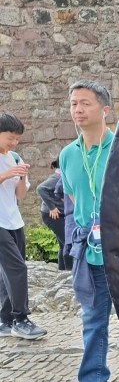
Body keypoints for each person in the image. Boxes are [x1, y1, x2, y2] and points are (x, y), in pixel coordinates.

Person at [58, 80, 115, 382]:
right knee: (93, 320)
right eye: (73, 104)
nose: (77, 110)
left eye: (85, 103)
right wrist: (71, 243)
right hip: (90, 254)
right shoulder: (68, 155)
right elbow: (69, 202)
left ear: (105, 109)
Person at [0, 113, 47, 341]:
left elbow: (20, 195)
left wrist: (20, 178)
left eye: (17, 139)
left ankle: (5, 320)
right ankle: (21, 319)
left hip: (14, 220)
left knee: (7, 272)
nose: (14, 143)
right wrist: (4, 175)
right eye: (10, 137)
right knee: (17, 269)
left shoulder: (15, 157)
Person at [36, 158, 68, 270]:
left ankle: (62, 270)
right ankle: (70, 270)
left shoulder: (63, 176)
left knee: (62, 243)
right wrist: (52, 207)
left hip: (58, 214)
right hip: (52, 215)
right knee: (68, 243)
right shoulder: (58, 177)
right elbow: (40, 189)